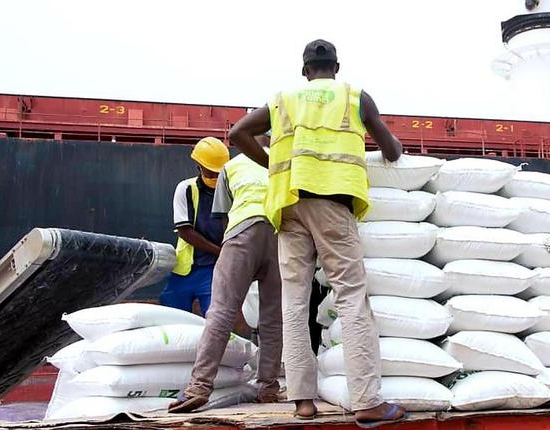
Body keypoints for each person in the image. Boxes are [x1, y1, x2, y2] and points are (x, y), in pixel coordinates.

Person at [229, 39, 406, 428]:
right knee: (351, 298)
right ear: (336, 67)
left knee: (294, 303)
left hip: (289, 204)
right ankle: (366, 401)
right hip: (332, 205)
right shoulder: (355, 96)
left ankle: (302, 401)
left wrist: (274, 164)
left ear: (305, 69)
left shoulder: (284, 100)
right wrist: (393, 146)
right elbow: (391, 151)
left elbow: (237, 133)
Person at [168, 136, 283, 413]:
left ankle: (199, 387)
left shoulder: (232, 167)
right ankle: (268, 388)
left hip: (241, 232)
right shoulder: (282, 163)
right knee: (272, 317)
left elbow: (223, 216)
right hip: (280, 237)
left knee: (221, 311)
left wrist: (234, 251)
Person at [161, 137, 229, 316]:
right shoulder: (186, 189)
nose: (215, 177)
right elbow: (185, 232)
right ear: (199, 165)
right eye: (211, 172)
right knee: (173, 317)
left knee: (215, 318)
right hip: (185, 270)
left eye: (218, 173)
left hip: (214, 270)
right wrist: (220, 251)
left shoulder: (230, 191)